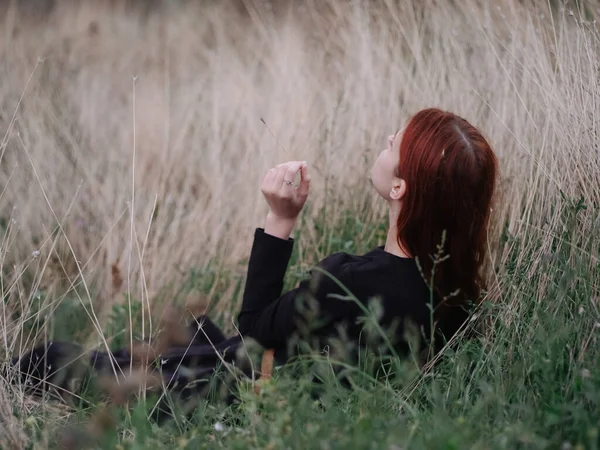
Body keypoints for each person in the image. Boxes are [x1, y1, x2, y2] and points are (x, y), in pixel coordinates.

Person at [7, 107, 498, 422]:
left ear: (400, 187)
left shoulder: (349, 282)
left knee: (52, 361)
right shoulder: (461, 299)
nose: (387, 138)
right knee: (173, 343)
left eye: (395, 144)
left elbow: (255, 327)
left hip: (234, 395)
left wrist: (279, 219)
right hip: (281, 394)